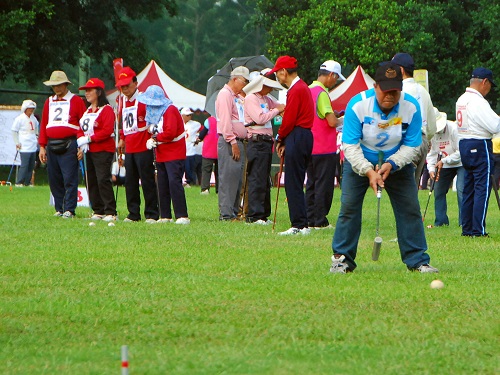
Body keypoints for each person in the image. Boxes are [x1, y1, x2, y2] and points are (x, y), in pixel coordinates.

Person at [330, 62, 438, 274]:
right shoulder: (357, 105)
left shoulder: (411, 107)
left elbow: (413, 145)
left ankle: (417, 260)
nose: (390, 95)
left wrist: (392, 163)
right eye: (385, 90)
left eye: (395, 91)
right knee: (349, 208)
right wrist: (368, 171)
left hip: (396, 163)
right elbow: (350, 146)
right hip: (360, 161)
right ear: (375, 87)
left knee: (410, 209)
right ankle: (341, 259)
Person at [269, 55, 314, 235]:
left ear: (283, 71)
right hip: (304, 135)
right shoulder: (302, 87)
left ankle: (299, 225)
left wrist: (279, 138)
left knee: (292, 181)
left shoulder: (295, 90)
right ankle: (302, 223)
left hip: (297, 134)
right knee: (296, 179)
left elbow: (289, 119)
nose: (277, 78)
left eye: (277, 74)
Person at [456, 67, 500, 237]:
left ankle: (466, 228)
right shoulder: (478, 101)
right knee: (482, 187)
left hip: (464, 143)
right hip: (480, 144)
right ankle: (478, 229)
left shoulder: (461, 99)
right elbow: (494, 125)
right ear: (484, 82)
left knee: (469, 188)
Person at [137, 85, 190, 224]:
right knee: (162, 184)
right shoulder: (154, 112)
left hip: (174, 153)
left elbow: (170, 132)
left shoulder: (170, 110)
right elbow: (152, 127)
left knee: (174, 183)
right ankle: (165, 215)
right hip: (161, 153)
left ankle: (181, 215)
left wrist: (155, 139)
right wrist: (152, 132)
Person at [39, 70, 86, 218]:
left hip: (69, 143)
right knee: (54, 178)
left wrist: (81, 144)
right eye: (54, 86)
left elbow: (83, 123)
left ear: (65, 84)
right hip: (52, 144)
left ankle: (70, 209)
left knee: (69, 177)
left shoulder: (76, 101)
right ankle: (59, 208)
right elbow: (44, 123)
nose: (57, 89)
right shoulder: (49, 102)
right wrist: (42, 146)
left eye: (59, 85)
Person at [116, 67, 159, 223]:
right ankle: (133, 213)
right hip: (130, 148)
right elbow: (124, 125)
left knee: (147, 180)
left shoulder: (144, 100)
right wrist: (122, 138)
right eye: (122, 86)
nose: (125, 89)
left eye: (127, 85)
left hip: (143, 147)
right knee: (130, 181)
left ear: (135, 83)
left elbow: (153, 121)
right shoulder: (123, 102)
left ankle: (152, 213)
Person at [242, 71, 286, 224]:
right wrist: (276, 110)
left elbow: (280, 107)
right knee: (256, 178)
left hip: (266, 141)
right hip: (257, 140)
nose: (271, 90)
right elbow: (260, 118)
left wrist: (280, 108)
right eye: (269, 86)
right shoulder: (251, 98)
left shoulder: (266, 99)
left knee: (264, 179)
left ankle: (263, 214)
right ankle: (254, 215)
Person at [306, 60, 345, 229]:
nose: (335, 82)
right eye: (335, 78)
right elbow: (330, 121)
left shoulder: (308, 90)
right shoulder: (322, 93)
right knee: (324, 185)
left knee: (311, 184)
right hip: (324, 147)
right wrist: (342, 120)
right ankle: (320, 220)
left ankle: (309, 217)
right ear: (331, 75)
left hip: (309, 145)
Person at [391, 53, 437, 187]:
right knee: (412, 188)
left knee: (403, 191)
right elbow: (432, 126)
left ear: (401, 69)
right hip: (422, 139)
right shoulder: (423, 91)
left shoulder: (400, 91)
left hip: (407, 140)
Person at [76, 78, 117, 222]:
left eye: (89, 90)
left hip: (103, 150)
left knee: (102, 179)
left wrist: (89, 139)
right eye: (86, 91)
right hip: (89, 150)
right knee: (90, 180)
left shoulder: (106, 109)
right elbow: (81, 128)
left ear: (98, 92)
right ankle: (98, 209)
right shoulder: (87, 111)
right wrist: (81, 139)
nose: (86, 93)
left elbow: (107, 130)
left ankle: (110, 211)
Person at [215, 66, 249, 221]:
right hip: (230, 142)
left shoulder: (236, 96)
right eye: (244, 81)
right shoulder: (224, 95)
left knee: (237, 179)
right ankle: (227, 214)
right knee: (228, 179)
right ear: (235, 79)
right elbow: (225, 121)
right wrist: (233, 142)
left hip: (238, 141)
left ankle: (234, 212)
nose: (245, 85)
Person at [426, 108, 464, 227]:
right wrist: (431, 169)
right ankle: (441, 222)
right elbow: (432, 153)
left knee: (461, 190)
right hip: (444, 164)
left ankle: (464, 222)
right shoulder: (432, 133)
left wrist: (444, 160)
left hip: (461, 163)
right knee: (438, 191)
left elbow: (460, 152)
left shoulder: (454, 129)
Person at [11, 99, 39, 187]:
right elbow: (14, 131)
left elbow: (36, 130)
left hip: (33, 144)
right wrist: (17, 142)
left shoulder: (33, 118)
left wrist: (37, 138)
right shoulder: (20, 118)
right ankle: (19, 182)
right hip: (24, 145)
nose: (31, 110)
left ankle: (28, 182)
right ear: (25, 109)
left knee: (31, 165)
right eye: (29, 108)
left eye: (32, 108)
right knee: (25, 164)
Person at [196, 116, 218, 194]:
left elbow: (202, 133)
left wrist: (198, 139)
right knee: (219, 171)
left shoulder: (209, 121)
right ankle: (219, 189)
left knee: (206, 170)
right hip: (220, 149)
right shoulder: (224, 118)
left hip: (209, 149)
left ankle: (205, 189)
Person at [181, 107, 203, 187]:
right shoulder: (179, 123)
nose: (189, 117)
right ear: (182, 116)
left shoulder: (195, 124)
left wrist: (197, 138)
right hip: (181, 149)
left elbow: (202, 129)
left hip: (190, 150)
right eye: (187, 115)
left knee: (190, 168)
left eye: (190, 115)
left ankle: (191, 182)